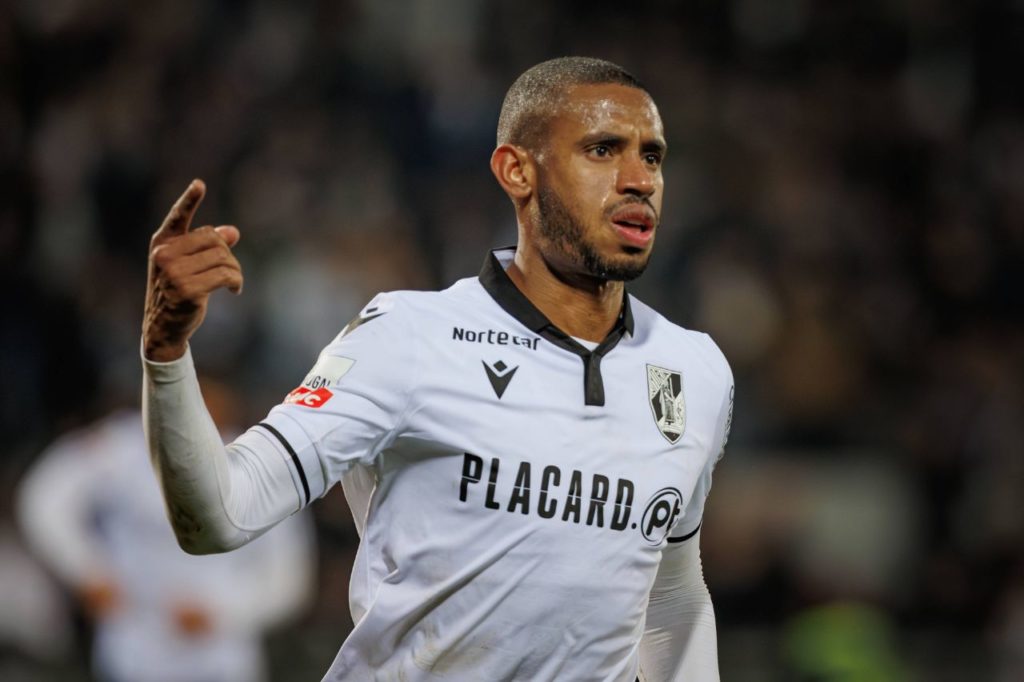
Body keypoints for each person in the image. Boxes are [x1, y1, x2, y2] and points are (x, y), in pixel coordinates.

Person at [141, 56, 734, 681]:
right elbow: (219, 515)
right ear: (516, 171)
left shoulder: (694, 371)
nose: (638, 179)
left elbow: (670, 595)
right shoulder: (409, 337)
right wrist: (166, 354)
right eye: (603, 149)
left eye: (652, 155)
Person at [17, 383, 316, 682]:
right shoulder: (121, 447)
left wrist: (223, 613)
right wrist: (86, 570)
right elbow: (45, 498)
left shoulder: (255, 465)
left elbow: (289, 575)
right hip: (132, 649)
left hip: (219, 657)